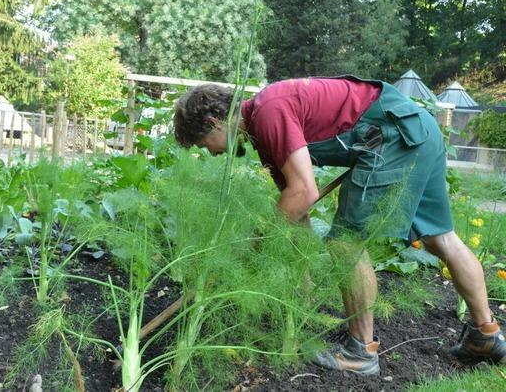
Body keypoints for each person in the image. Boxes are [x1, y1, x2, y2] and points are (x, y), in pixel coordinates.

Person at [172, 76, 506, 376]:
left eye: (205, 146)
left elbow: (305, 191)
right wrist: (300, 279)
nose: (212, 154)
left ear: (215, 121)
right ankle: (486, 335)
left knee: (345, 244)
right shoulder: (263, 127)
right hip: (417, 129)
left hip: (392, 136)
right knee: (440, 238)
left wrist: (261, 239)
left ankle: (360, 352)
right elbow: (295, 205)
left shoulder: (269, 111)